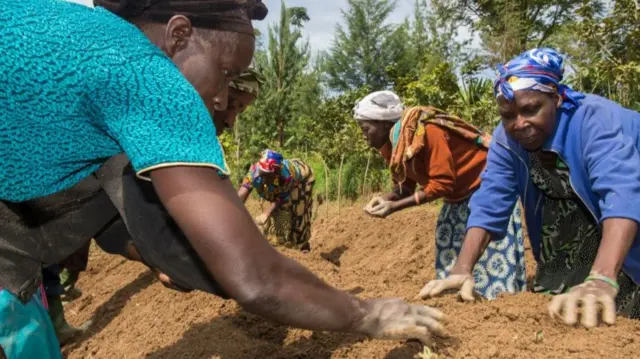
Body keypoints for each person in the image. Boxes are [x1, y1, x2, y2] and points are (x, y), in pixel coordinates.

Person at [0, 1, 445, 358]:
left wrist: (183, 262)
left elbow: (130, 228)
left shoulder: (72, 33)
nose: (219, 97)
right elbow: (255, 280)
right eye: (226, 72)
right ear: (179, 34)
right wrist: (366, 314)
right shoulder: (144, 75)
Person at [419, 47, 640, 328]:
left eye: (530, 109)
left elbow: (622, 194)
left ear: (556, 97)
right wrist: (462, 269)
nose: (519, 124)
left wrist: (602, 278)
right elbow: (490, 200)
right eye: (507, 114)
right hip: (579, 222)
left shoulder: (594, 121)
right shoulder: (505, 138)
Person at [355, 91, 527, 300]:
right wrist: (386, 199)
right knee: (450, 251)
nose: (364, 135)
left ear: (383, 124)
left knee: (491, 256)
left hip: (485, 192)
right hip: (456, 198)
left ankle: (499, 304)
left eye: (366, 129)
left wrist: (395, 208)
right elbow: (405, 186)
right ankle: (458, 304)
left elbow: (443, 183)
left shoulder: (429, 131)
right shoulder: (393, 146)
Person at [238, 150, 315, 251]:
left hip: (303, 180)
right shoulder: (254, 172)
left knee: (298, 212)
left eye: (267, 175)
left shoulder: (286, 176)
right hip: (279, 187)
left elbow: (281, 198)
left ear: (275, 173)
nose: (263, 178)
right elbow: (241, 195)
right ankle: (285, 241)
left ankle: (302, 246)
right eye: (262, 174)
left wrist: (266, 213)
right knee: (278, 218)